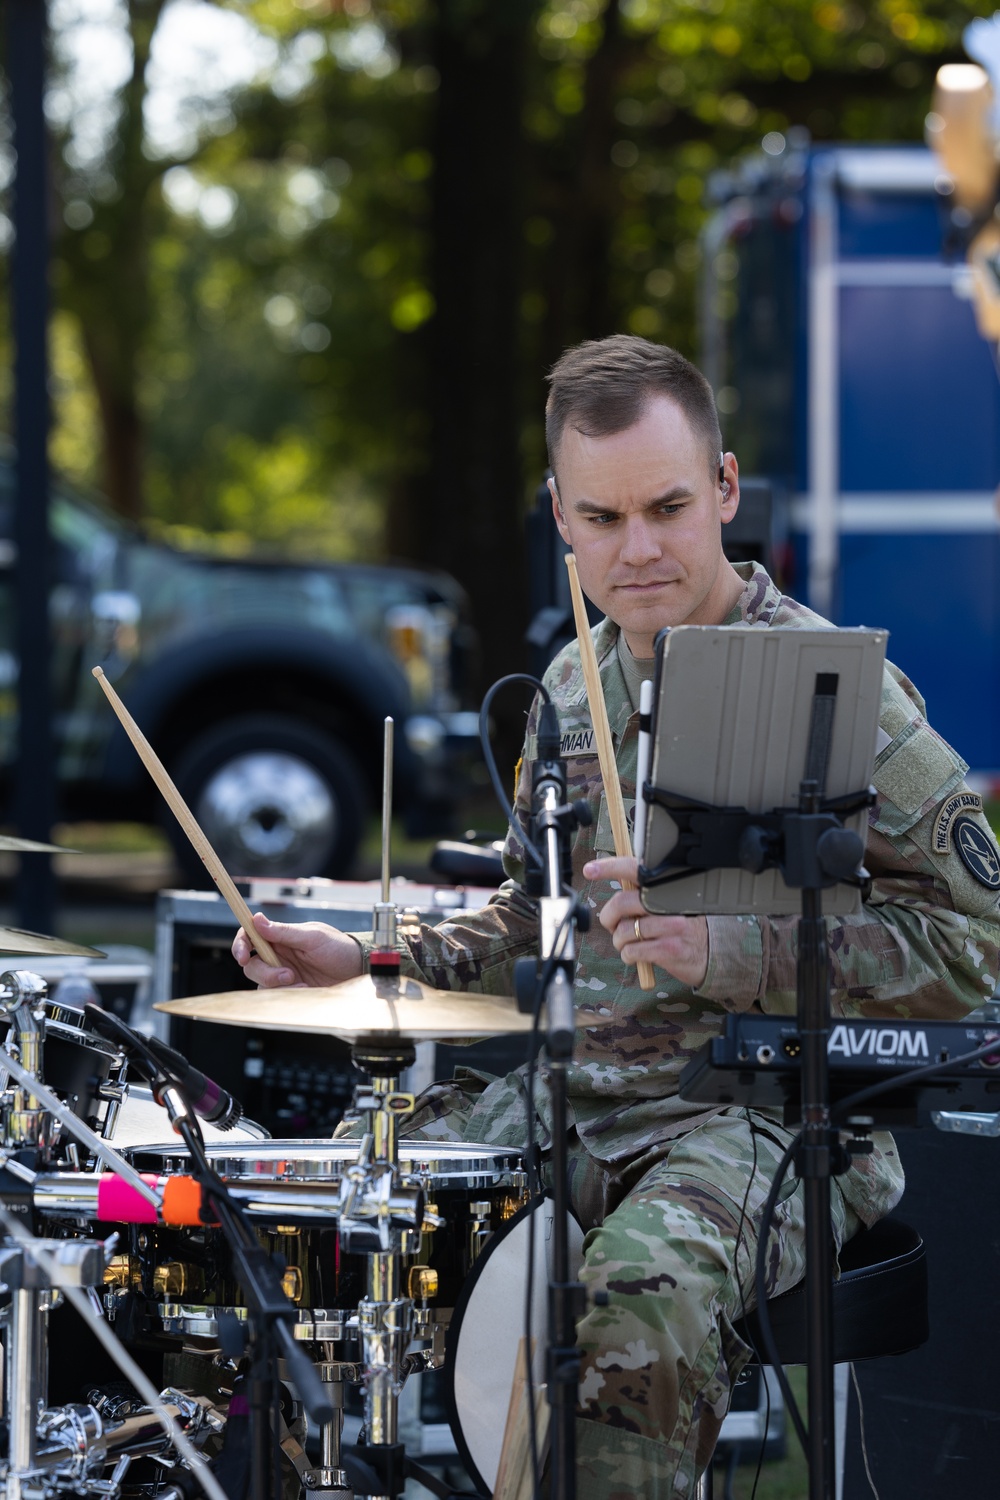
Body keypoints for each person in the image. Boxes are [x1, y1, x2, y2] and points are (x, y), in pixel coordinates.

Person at [233, 336, 1000, 1497]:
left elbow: (977, 947)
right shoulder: (566, 690)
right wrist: (366, 950)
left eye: (669, 507)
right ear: (561, 518)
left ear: (727, 490)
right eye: (602, 518)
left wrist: (728, 950)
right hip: (570, 1103)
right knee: (321, 1222)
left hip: (759, 1123)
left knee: (632, 1312)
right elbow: (530, 915)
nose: (637, 549)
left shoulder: (837, 690)